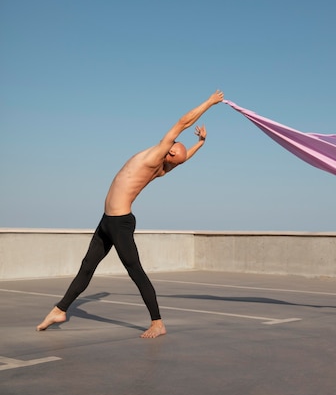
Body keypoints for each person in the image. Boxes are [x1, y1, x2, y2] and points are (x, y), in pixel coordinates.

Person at [36, 89, 224, 338]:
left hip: (120, 223)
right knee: (87, 266)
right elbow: (184, 157)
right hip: (107, 221)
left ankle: (157, 322)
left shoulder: (158, 159)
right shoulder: (162, 167)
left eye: (174, 149)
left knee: (135, 270)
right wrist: (200, 143)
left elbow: (183, 122)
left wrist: (210, 102)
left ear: (169, 154)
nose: (172, 147)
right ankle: (60, 309)